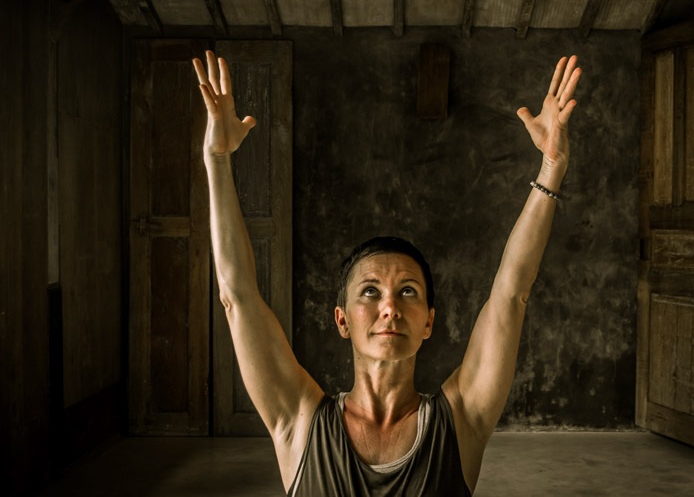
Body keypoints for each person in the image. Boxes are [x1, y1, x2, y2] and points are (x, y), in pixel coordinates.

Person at [193, 51, 581, 496]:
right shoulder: (298, 421)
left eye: (408, 291)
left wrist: (552, 168)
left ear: (429, 321)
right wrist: (217, 160)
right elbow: (238, 297)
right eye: (370, 292)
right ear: (342, 319)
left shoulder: (461, 420)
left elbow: (511, 294)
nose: (390, 307)